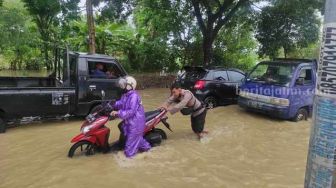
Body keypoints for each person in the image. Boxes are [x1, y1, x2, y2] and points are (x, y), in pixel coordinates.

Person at [110, 76, 151, 158]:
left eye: (124, 84)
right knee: (138, 141)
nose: (122, 86)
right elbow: (121, 103)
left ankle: (131, 165)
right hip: (130, 122)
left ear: (129, 85)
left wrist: (118, 113)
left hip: (135, 124)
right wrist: (112, 104)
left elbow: (131, 112)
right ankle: (149, 151)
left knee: (129, 152)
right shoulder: (126, 95)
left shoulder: (134, 96)